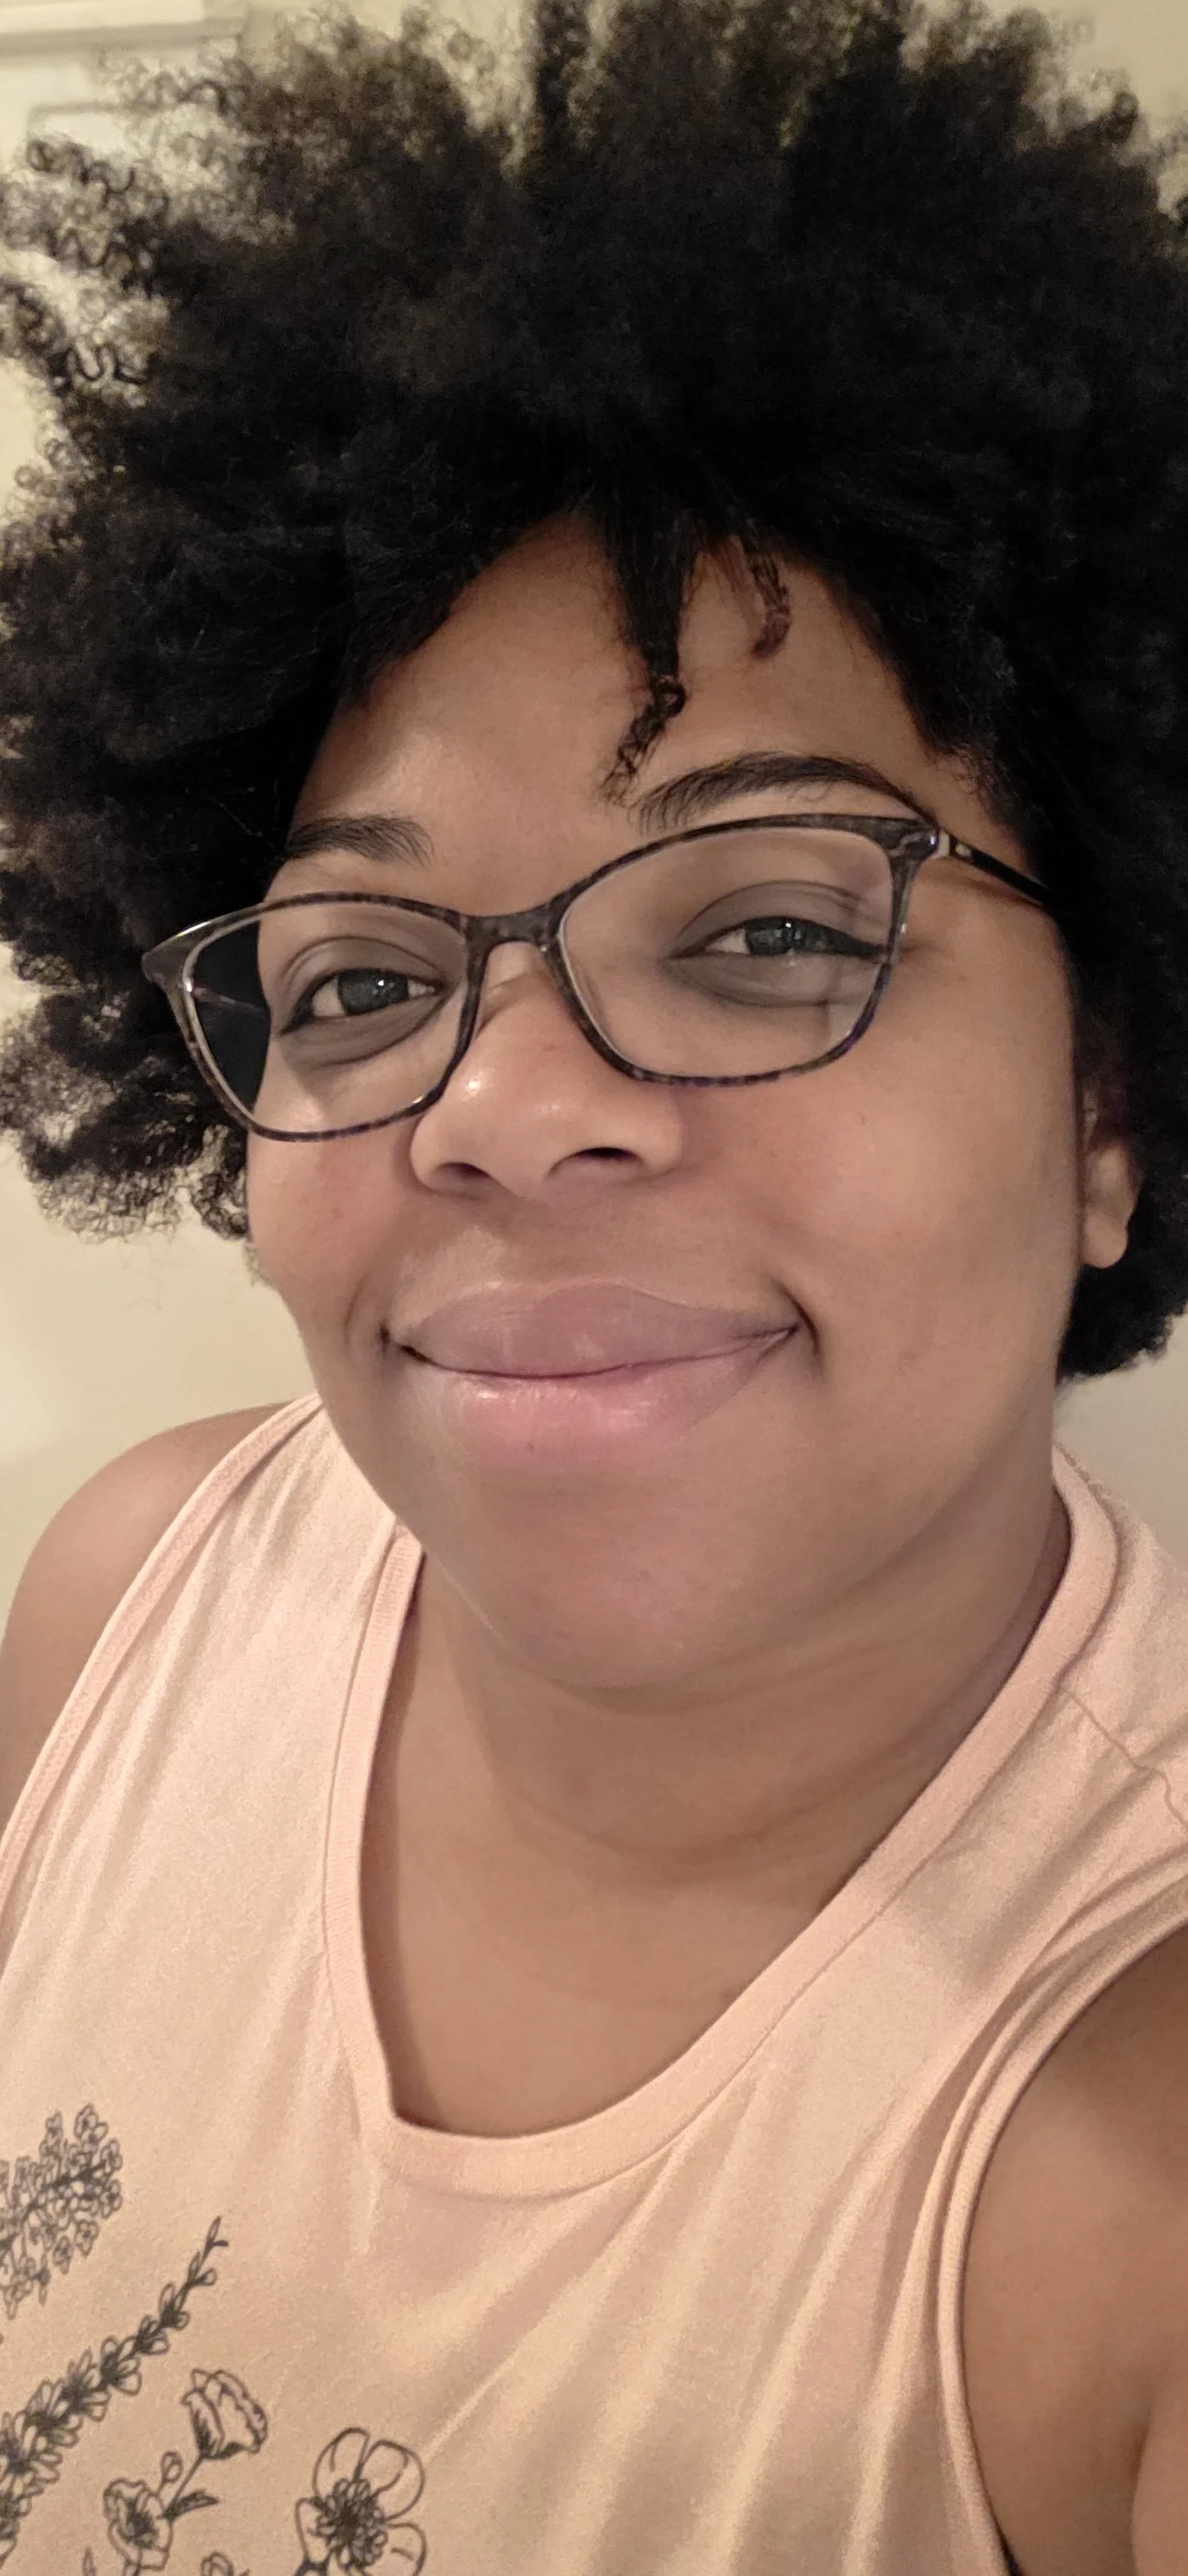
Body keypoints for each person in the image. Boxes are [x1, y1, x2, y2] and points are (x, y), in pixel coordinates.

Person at [2, 0, 1188, 2563]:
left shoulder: (1134, 2181)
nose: (499, 1108)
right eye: (359, 975)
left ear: (1105, 1104)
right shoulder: (128, 1600)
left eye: (767, 930)